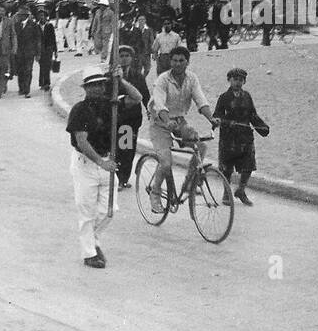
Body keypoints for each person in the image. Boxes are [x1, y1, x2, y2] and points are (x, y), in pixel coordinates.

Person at [65, 67, 141, 268]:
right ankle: (89, 253)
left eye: (100, 84)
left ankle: (93, 240)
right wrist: (101, 162)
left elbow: (137, 97)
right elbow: (82, 141)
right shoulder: (79, 110)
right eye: (92, 86)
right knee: (86, 210)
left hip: (106, 162)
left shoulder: (112, 105)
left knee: (109, 210)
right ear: (86, 88)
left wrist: (121, 81)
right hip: (86, 163)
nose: (97, 89)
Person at [147, 46, 219, 213]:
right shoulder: (162, 79)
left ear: (188, 61)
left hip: (179, 121)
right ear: (170, 61)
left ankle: (189, 184)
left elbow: (200, 100)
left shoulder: (192, 78)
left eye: (181, 60)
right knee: (166, 162)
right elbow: (159, 103)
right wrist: (167, 121)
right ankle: (155, 193)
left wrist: (211, 118)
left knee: (200, 146)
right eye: (174, 60)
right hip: (160, 123)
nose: (177, 64)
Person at [212, 68, 270, 206]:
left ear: (244, 81)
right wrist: (226, 122)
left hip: (245, 137)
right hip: (229, 138)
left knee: (248, 165)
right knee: (227, 168)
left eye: (240, 80)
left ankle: (241, 189)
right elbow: (216, 116)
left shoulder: (247, 96)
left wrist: (262, 126)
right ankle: (226, 193)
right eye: (235, 79)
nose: (238, 82)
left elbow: (252, 115)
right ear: (229, 80)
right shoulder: (224, 97)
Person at [114, 45, 149, 189]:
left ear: (132, 58)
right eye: (121, 56)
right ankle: (118, 178)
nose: (124, 59)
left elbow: (145, 95)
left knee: (128, 149)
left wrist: (150, 110)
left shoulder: (137, 76)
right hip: (118, 117)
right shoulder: (113, 76)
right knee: (119, 149)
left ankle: (123, 178)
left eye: (127, 56)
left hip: (131, 119)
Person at [15, 7, 44, 97]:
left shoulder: (34, 25)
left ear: (25, 16)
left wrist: (38, 53)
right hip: (19, 52)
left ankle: (27, 90)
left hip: (29, 52)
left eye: (20, 15)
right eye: (18, 15)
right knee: (20, 71)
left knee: (28, 70)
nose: (19, 17)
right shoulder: (16, 25)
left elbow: (38, 40)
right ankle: (21, 88)